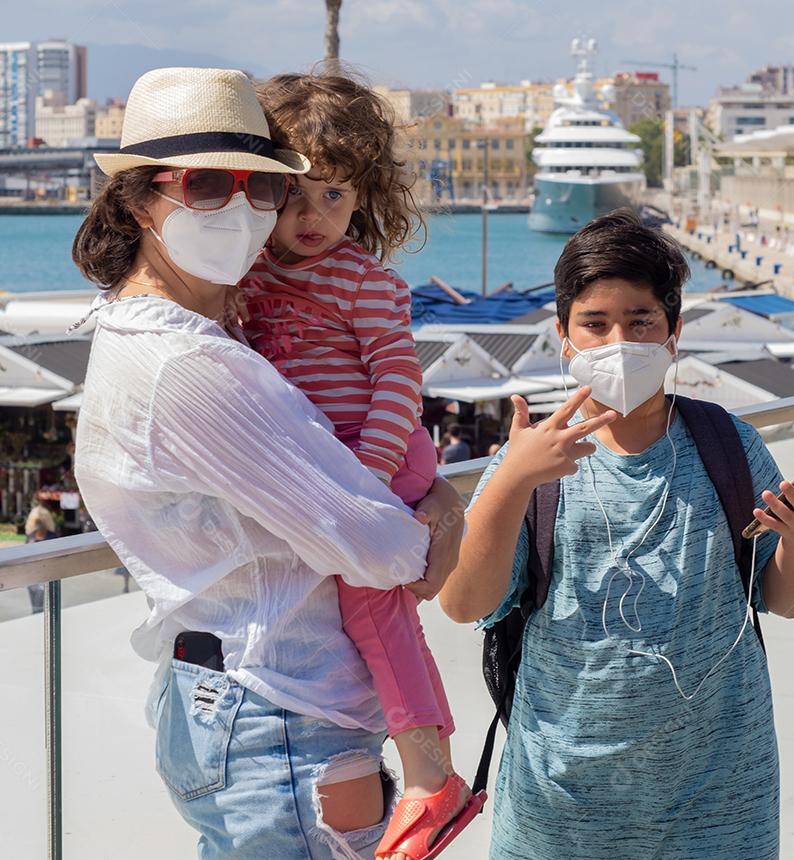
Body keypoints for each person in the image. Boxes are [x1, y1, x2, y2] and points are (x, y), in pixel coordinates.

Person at [69, 67, 464, 860]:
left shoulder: (172, 332)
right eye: (208, 184)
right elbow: (385, 550)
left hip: (237, 701)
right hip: (278, 709)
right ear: (141, 200)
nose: (244, 208)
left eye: (262, 186)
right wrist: (443, 514)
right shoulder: (189, 364)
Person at [440, 210, 794, 860]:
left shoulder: (727, 444)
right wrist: (511, 480)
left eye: (641, 322)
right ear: (564, 338)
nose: (618, 341)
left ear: (674, 333)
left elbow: (787, 598)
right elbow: (464, 603)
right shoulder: (532, 459)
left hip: (720, 806)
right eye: (595, 324)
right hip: (556, 811)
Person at [239, 73, 480, 860]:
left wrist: (365, 479)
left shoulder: (366, 280)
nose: (313, 218)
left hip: (378, 457)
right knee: (380, 608)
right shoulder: (250, 281)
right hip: (334, 471)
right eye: (293, 197)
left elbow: (397, 380)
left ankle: (430, 779)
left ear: (364, 198)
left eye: (334, 197)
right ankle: (429, 776)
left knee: (375, 604)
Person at [24, 494, 59, 613]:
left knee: (42, 607)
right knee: (35, 606)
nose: (39, 524)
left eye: (41, 521)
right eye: (37, 521)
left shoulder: (51, 537)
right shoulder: (31, 537)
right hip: (31, 576)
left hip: (45, 576)